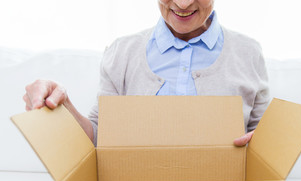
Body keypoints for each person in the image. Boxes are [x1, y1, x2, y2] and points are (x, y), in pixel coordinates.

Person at [23, 0, 270, 147]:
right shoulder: (121, 52)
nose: (182, 4)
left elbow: (263, 139)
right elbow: (100, 139)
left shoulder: (249, 53)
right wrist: (62, 106)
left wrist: (264, 143)